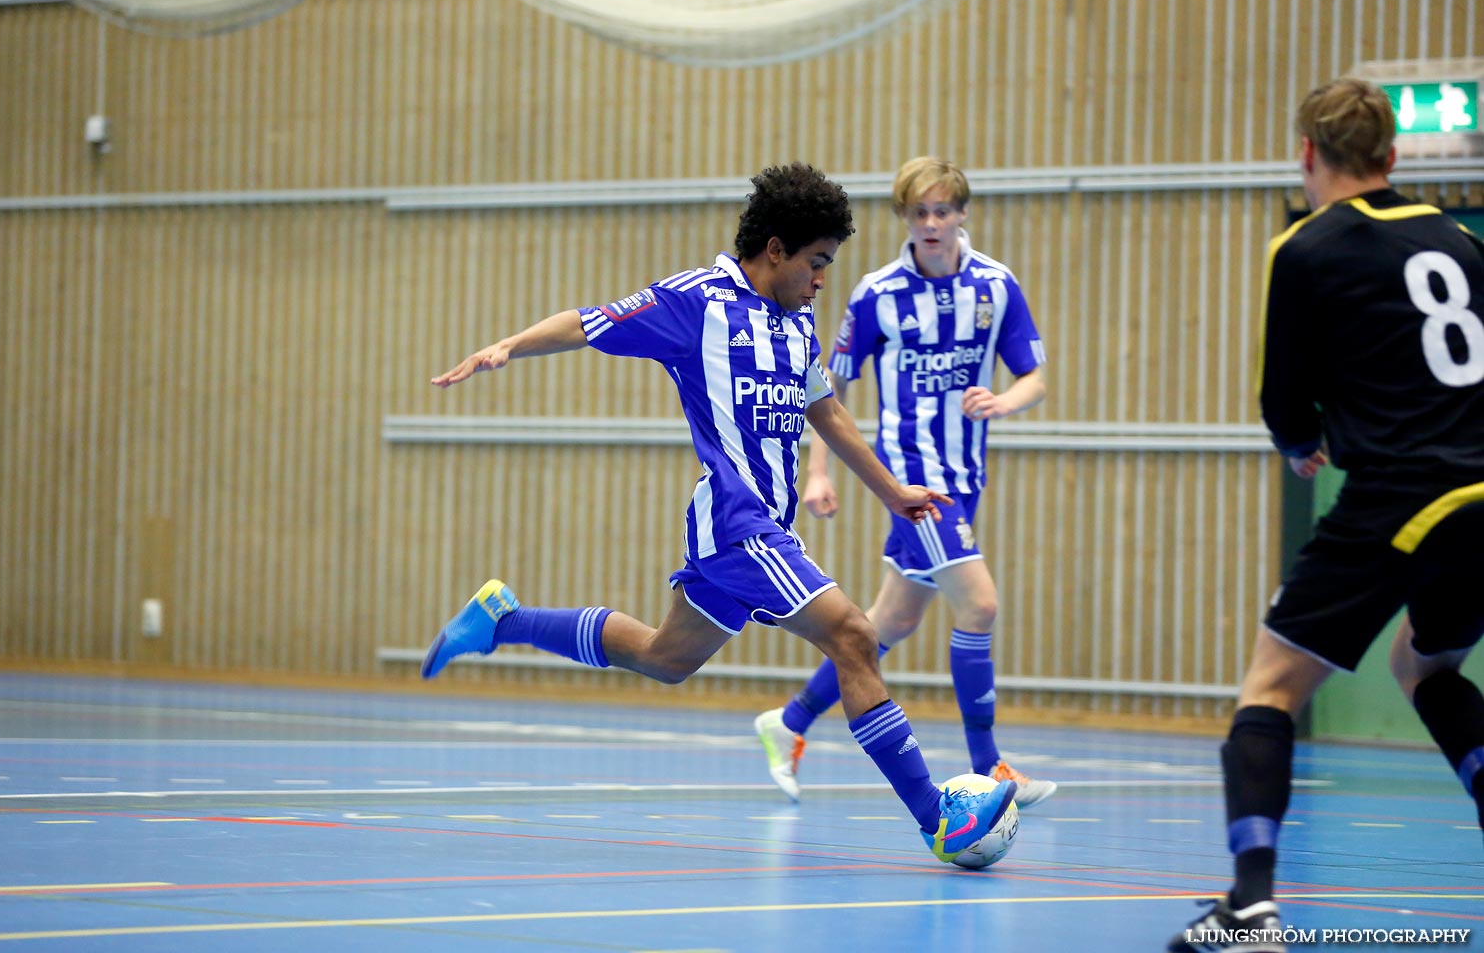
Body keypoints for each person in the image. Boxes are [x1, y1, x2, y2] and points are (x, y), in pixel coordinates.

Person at [422, 162, 1017, 864]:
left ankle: (503, 619)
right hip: (738, 523)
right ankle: (937, 818)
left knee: (664, 657)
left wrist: (892, 492)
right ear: (774, 249)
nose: (821, 279)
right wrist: (508, 348)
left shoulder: (797, 322)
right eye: (816, 262)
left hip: (763, 527)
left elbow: (825, 410)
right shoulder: (695, 302)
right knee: (854, 637)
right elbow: (587, 322)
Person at [1171, 78, 1484, 952]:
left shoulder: (1306, 247)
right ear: (1392, 157)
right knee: (1425, 670)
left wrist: (1303, 441)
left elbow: (1282, 396)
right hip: (1480, 498)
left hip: (1398, 495)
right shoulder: (1459, 240)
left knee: (1269, 689)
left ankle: (1251, 909)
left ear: (1307, 155)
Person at [752, 156, 1056, 808]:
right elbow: (827, 386)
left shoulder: (996, 287)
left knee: (882, 626)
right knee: (980, 605)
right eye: (919, 212)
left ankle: (789, 722)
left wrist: (1006, 401)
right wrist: (820, 470)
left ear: (962, 214)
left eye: (943, 210)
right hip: (914, 483)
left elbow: (1034, 376)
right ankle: (990, 765)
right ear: (905, 219)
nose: (932, 223)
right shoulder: (875, 293)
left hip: (966, 475)